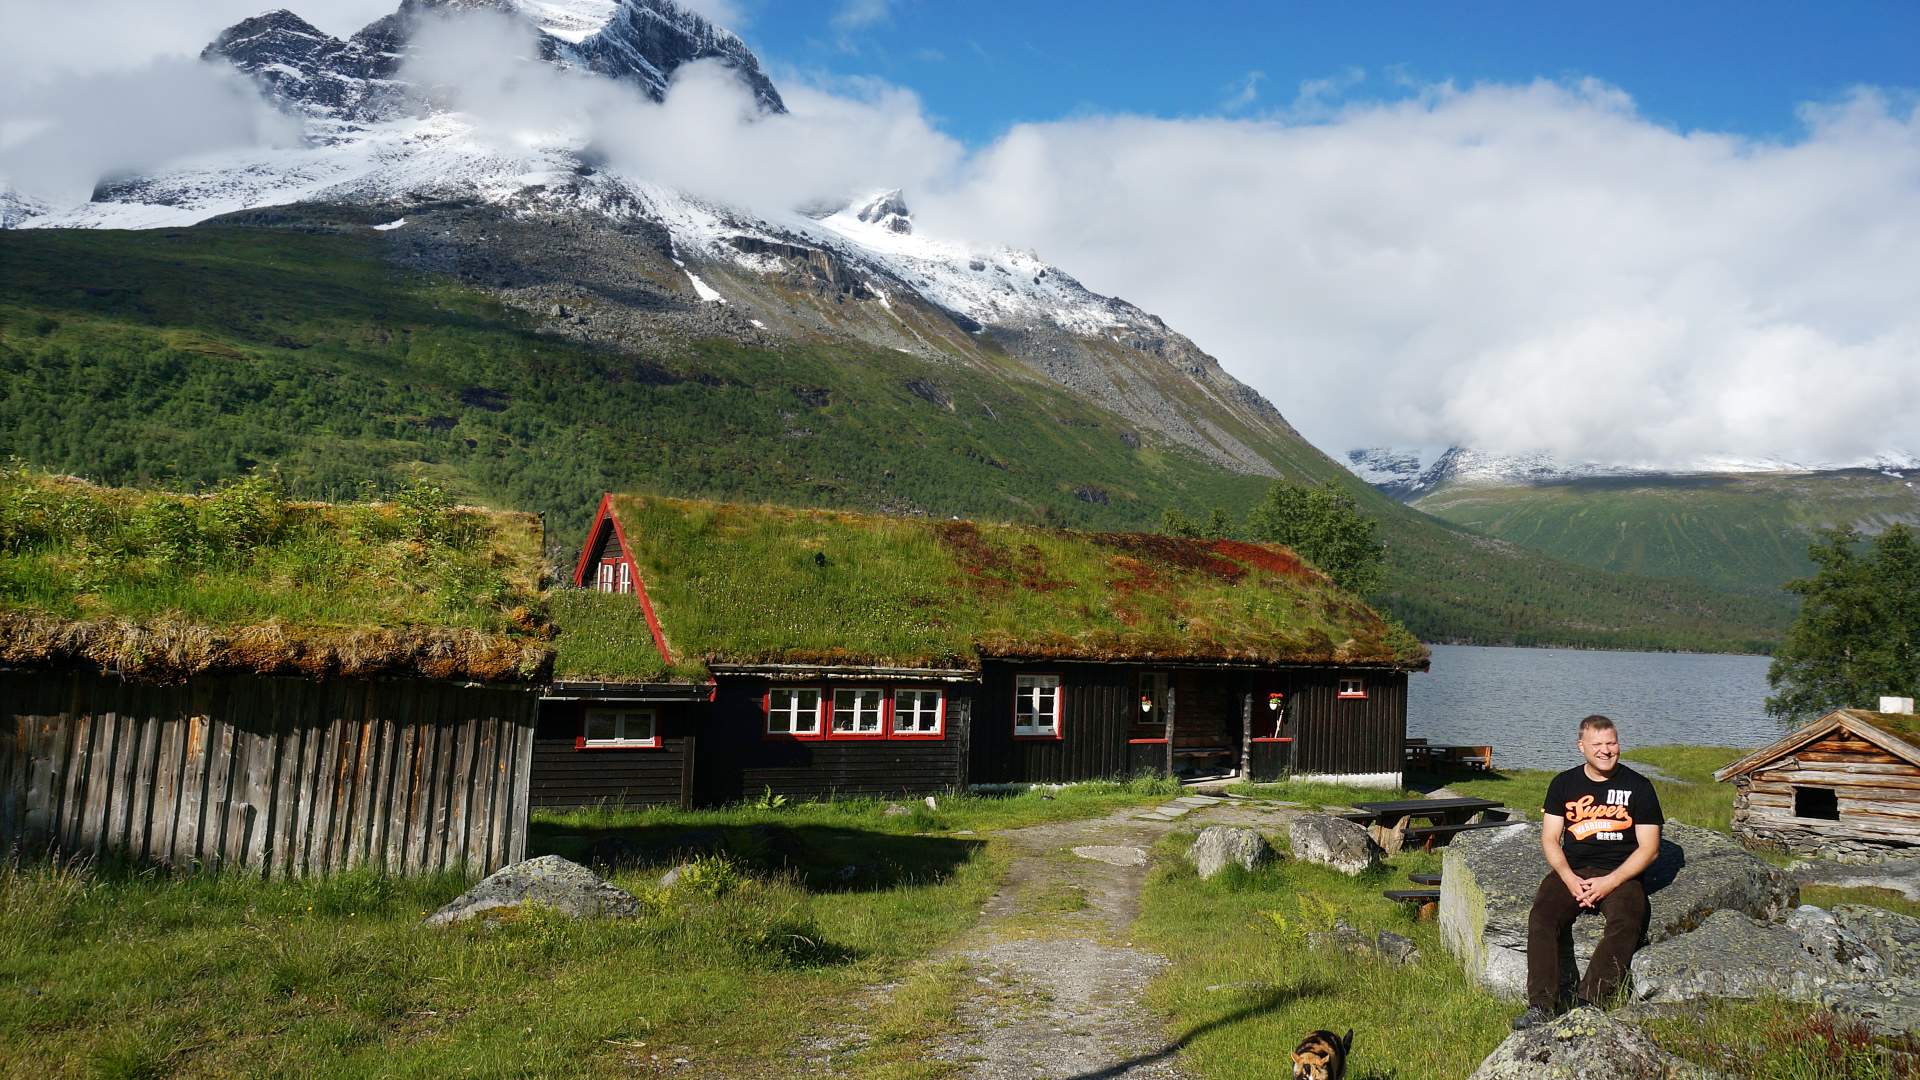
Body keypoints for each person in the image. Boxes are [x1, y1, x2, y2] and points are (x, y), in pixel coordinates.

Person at [1511, 714, 1664, 1030]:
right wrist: (1569, 878)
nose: (1606, 751)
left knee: (1627, 922)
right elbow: (1550, 839)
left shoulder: (1639, 787)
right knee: (1541, 918)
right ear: (1581, 746)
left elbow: (1650, 848)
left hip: (1620, 872)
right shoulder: (1563, 784)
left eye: (1612, 743)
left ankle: (1587, 1004)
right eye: (1598, 744)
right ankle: (1541, 1007)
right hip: (1574, 869)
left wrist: (1609, 882)